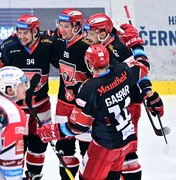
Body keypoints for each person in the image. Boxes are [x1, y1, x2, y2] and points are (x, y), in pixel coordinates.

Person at [36, 44, 164, 180]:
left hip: (105, 147)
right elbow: (143, 65)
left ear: (89, 63)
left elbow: (78, 127)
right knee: (112, 177)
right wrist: (136, 44)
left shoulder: (89, 89)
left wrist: (54, 131)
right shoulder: (123, 71)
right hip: (125, 141)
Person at [0, 14, 58, 179]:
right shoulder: (9, 46)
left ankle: (34, 175)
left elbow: (62, 59)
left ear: (35, 32)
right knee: (17, 144)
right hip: (15, 108)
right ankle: (15, 176)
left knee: (39, 143)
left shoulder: (48, 45)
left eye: (25, 33)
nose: (21, 36)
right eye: (19, 32)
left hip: (40, 105)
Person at [83, 13, 152, 179]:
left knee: (127, 154)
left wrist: (149, 93)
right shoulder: (102, 45)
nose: (87, 36)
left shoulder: (117, 49)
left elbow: (141, 70)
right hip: (115, 105)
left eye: (90, 33)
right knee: (119, 154)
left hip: (128, 106)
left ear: (103, 33)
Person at [44, 8, 92, 179]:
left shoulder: (88, 48)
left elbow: (99, 79)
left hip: (85, 108)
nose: (61, 29)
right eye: (60, 25)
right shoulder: (58, 41)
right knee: (64, 150)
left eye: (66, 26)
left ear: (77, 27)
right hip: (64, 104)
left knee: (87, 150)